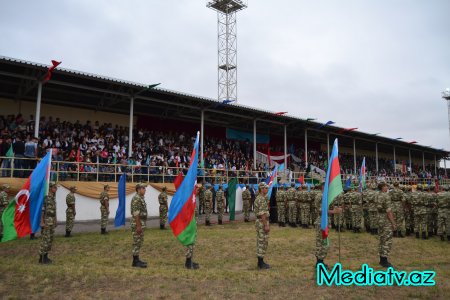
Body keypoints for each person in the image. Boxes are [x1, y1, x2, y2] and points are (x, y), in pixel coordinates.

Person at [315, 182, 342, 268]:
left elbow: (327, 208)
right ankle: (319, 262)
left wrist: (336, 209)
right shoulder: (320, 196)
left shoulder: (326, 196)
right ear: (324, 186)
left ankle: (320, 261)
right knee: (321, 242)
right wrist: (334, 211)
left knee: (323, 242)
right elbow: (321, 210)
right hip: (321, 221)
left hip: (325, 220)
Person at [376, 182, 397, 268]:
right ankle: (384, 260)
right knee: (387, 240)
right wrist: (393, 223)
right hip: (385, 220)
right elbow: (388, 211)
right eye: (386, 186)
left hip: (380, 218)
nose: (387, 187)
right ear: (383, 187)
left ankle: (381, 259)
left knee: (382, 239)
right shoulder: (385, 196)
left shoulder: (377, 195)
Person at [39, 182, 58, 264]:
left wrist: (55, 219)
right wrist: (42, 221)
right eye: (54, 187)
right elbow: (42, 210)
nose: (56, 189)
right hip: (46, 221)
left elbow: (54, 210)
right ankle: (42, 258)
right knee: (45, 240)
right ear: (50, 188)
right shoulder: (46, 197)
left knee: (50, 240)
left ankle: (46, 256)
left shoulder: (53, 198)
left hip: (51, 221)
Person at [131, 183, 148, 268]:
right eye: (143, 188)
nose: (145, 190)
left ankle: (137, 259)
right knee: (136, 242)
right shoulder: (136, 199)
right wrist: (138, 226)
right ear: (138, 189)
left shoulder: (140, 198)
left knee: (139, 242)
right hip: (137, 223)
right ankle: (135, 261)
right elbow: (136, 213)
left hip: (140, 223)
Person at [254, 182, 270, 269]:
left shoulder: (262, 198)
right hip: (261, 221)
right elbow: (262, 214)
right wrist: (266, 225)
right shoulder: (260, 199)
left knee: (263, 241)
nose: (267, 189)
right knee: (262, 241)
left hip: (261, 221)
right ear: (262, 189)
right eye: (266, 188)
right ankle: (260, 263)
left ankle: (261, 261)